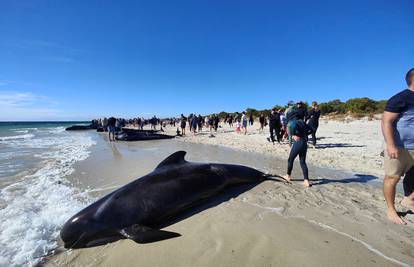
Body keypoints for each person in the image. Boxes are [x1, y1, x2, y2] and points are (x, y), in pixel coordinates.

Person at [381, 68, 414, 225]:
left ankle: (408, 200)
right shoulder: (400, 98)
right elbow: (386, 121)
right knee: (392, 178)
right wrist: (391, 145)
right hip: (399, 147)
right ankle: (391, 210)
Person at [284, 117, 313, 187]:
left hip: (298, 143)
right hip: (304, 143)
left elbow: (291, 127)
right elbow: (312, 130)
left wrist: (293, 135)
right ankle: (306, 180)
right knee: (302, 162)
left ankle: (288, 176)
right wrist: (306, 135)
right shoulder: (303, 122)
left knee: (290, 159)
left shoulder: (293, 122)